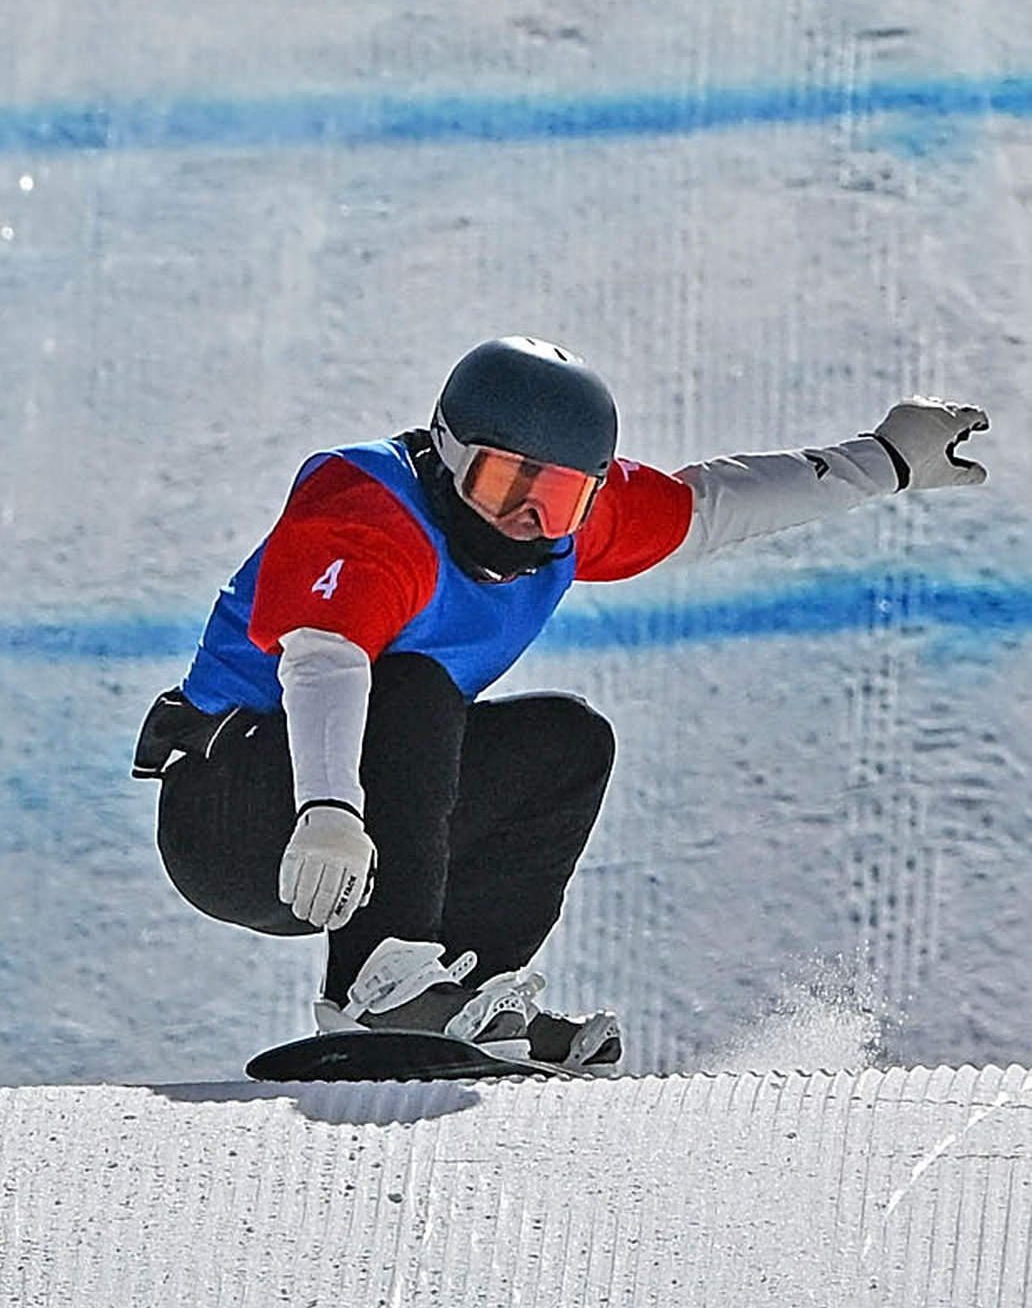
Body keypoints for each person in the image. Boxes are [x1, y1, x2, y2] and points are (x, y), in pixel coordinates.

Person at [142, 339, 988, 1066]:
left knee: (568, 743)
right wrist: (327, 805)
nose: (523, 519)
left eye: (556, 501)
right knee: (414, 681)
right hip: (234, 812)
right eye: (503, 482)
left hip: (347, 830)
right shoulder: (368, 501)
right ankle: (378, 985)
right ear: (444, 451)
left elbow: (706, 507)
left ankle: (464, 996)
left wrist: (888, 460)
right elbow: (326, 659)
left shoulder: (567, 531)